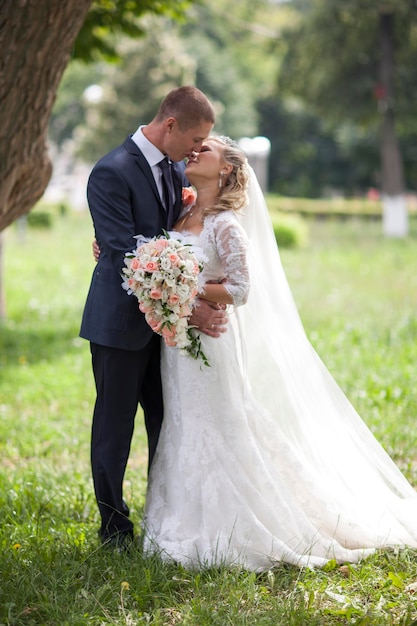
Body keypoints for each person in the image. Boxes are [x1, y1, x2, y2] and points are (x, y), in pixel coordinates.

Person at [140, 135, 417, 570]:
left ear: (227, 169)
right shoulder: (184, 210)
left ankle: (237, 521)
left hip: (211, 343)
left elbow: (240, 288)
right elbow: (157, 258)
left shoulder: (225, 224)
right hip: (177, 345)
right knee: (184, 423)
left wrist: (181, 286)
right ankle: (180, 514)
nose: (195, 153)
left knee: (221, 421)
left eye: (206, 150)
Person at [79, 86, 227, 549]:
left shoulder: (175, 167)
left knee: (167, 422)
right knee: (114, 426)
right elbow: (126, 252)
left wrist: (186, 304)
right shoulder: (111, 170)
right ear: (170, 126)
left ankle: (166, 521)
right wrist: (193, 305)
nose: (198, 149)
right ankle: (114, 529)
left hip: (166, 330)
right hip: (119, 324)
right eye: (196, 138)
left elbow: (172, 239)